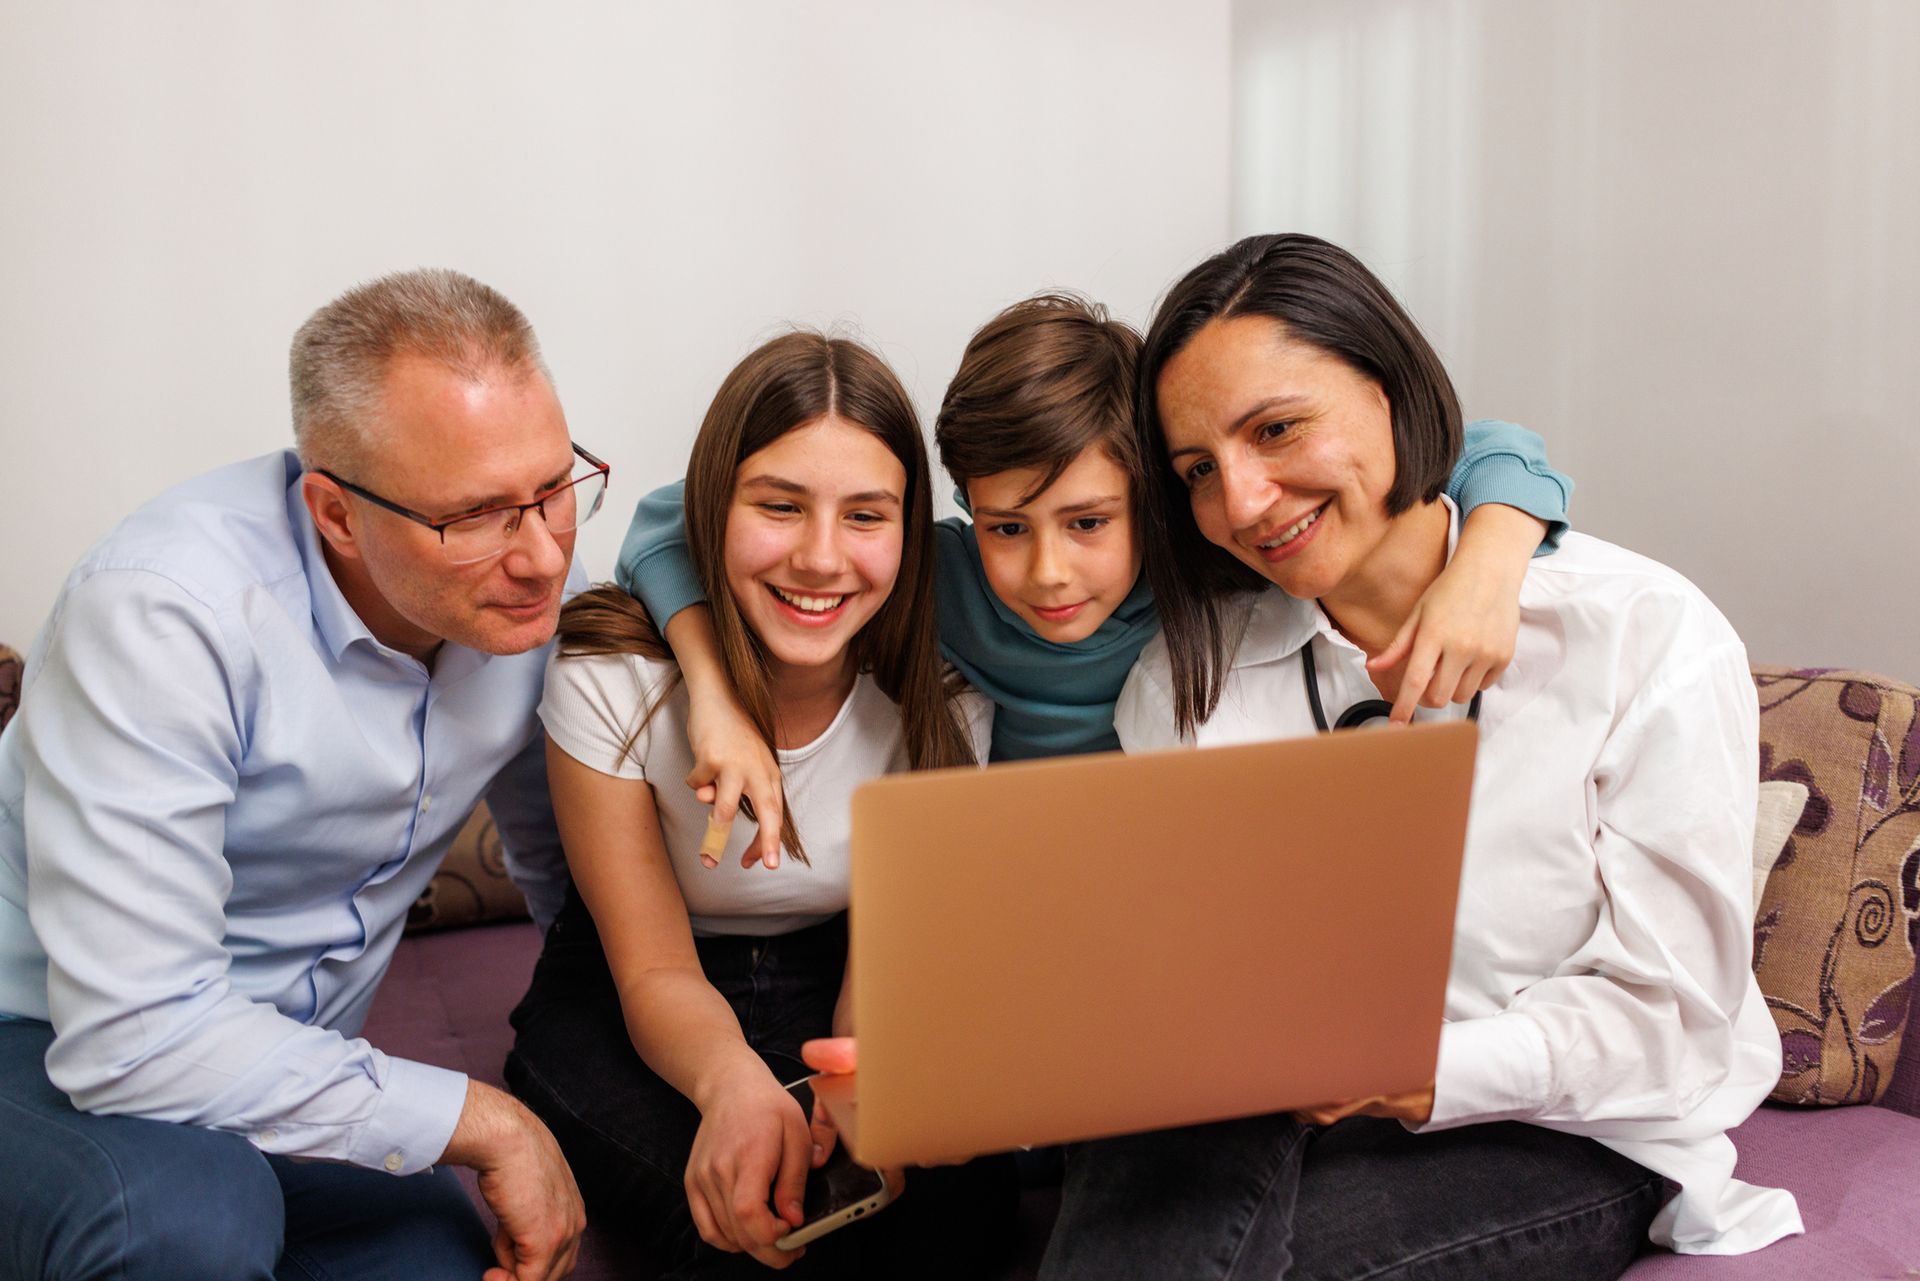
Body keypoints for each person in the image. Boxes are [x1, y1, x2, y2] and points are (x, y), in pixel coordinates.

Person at [1035, 232, 1805, 1279]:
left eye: (1277, 429)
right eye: (1200, 471)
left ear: (1397, 393)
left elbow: (1668, 1026)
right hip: (1273, 1113)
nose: (1246, 501)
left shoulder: (1643, 636)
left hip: (1576, 1135)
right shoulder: (1188, 680)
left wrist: (1410, 1071)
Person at [0, 269, 593, 1281]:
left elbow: (570, 877)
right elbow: (132, 1034)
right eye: (480, 515)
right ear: (334, 513)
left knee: (443, 1264)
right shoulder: (164, 613)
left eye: (554, 488)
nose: (541, 554)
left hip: (279, 1072)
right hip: (46, 1035)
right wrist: (487, 1120)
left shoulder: (524, 591)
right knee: (189, 1219)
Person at [616, 293, 1574, 863]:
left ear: (1152, 500)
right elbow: (670, 520)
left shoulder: (1216, 561)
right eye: (1005, 526)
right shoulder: (932, 577)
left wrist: (1488, 559)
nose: (1045, 572)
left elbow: (1489, 445)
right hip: (997, 888)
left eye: (1088, 523)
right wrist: (714, 695)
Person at [503, 331, 1018, 1279]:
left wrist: (861, 1081)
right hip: (632, 993)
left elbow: (885, 952)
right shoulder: (611, 677)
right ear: (713, 508)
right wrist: (732, 1082)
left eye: (866, 516)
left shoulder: (946, 688)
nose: (821, 559)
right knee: (744, 1221)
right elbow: (652, 967)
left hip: (843, 972)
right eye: (780, 506)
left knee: (952, 1202)